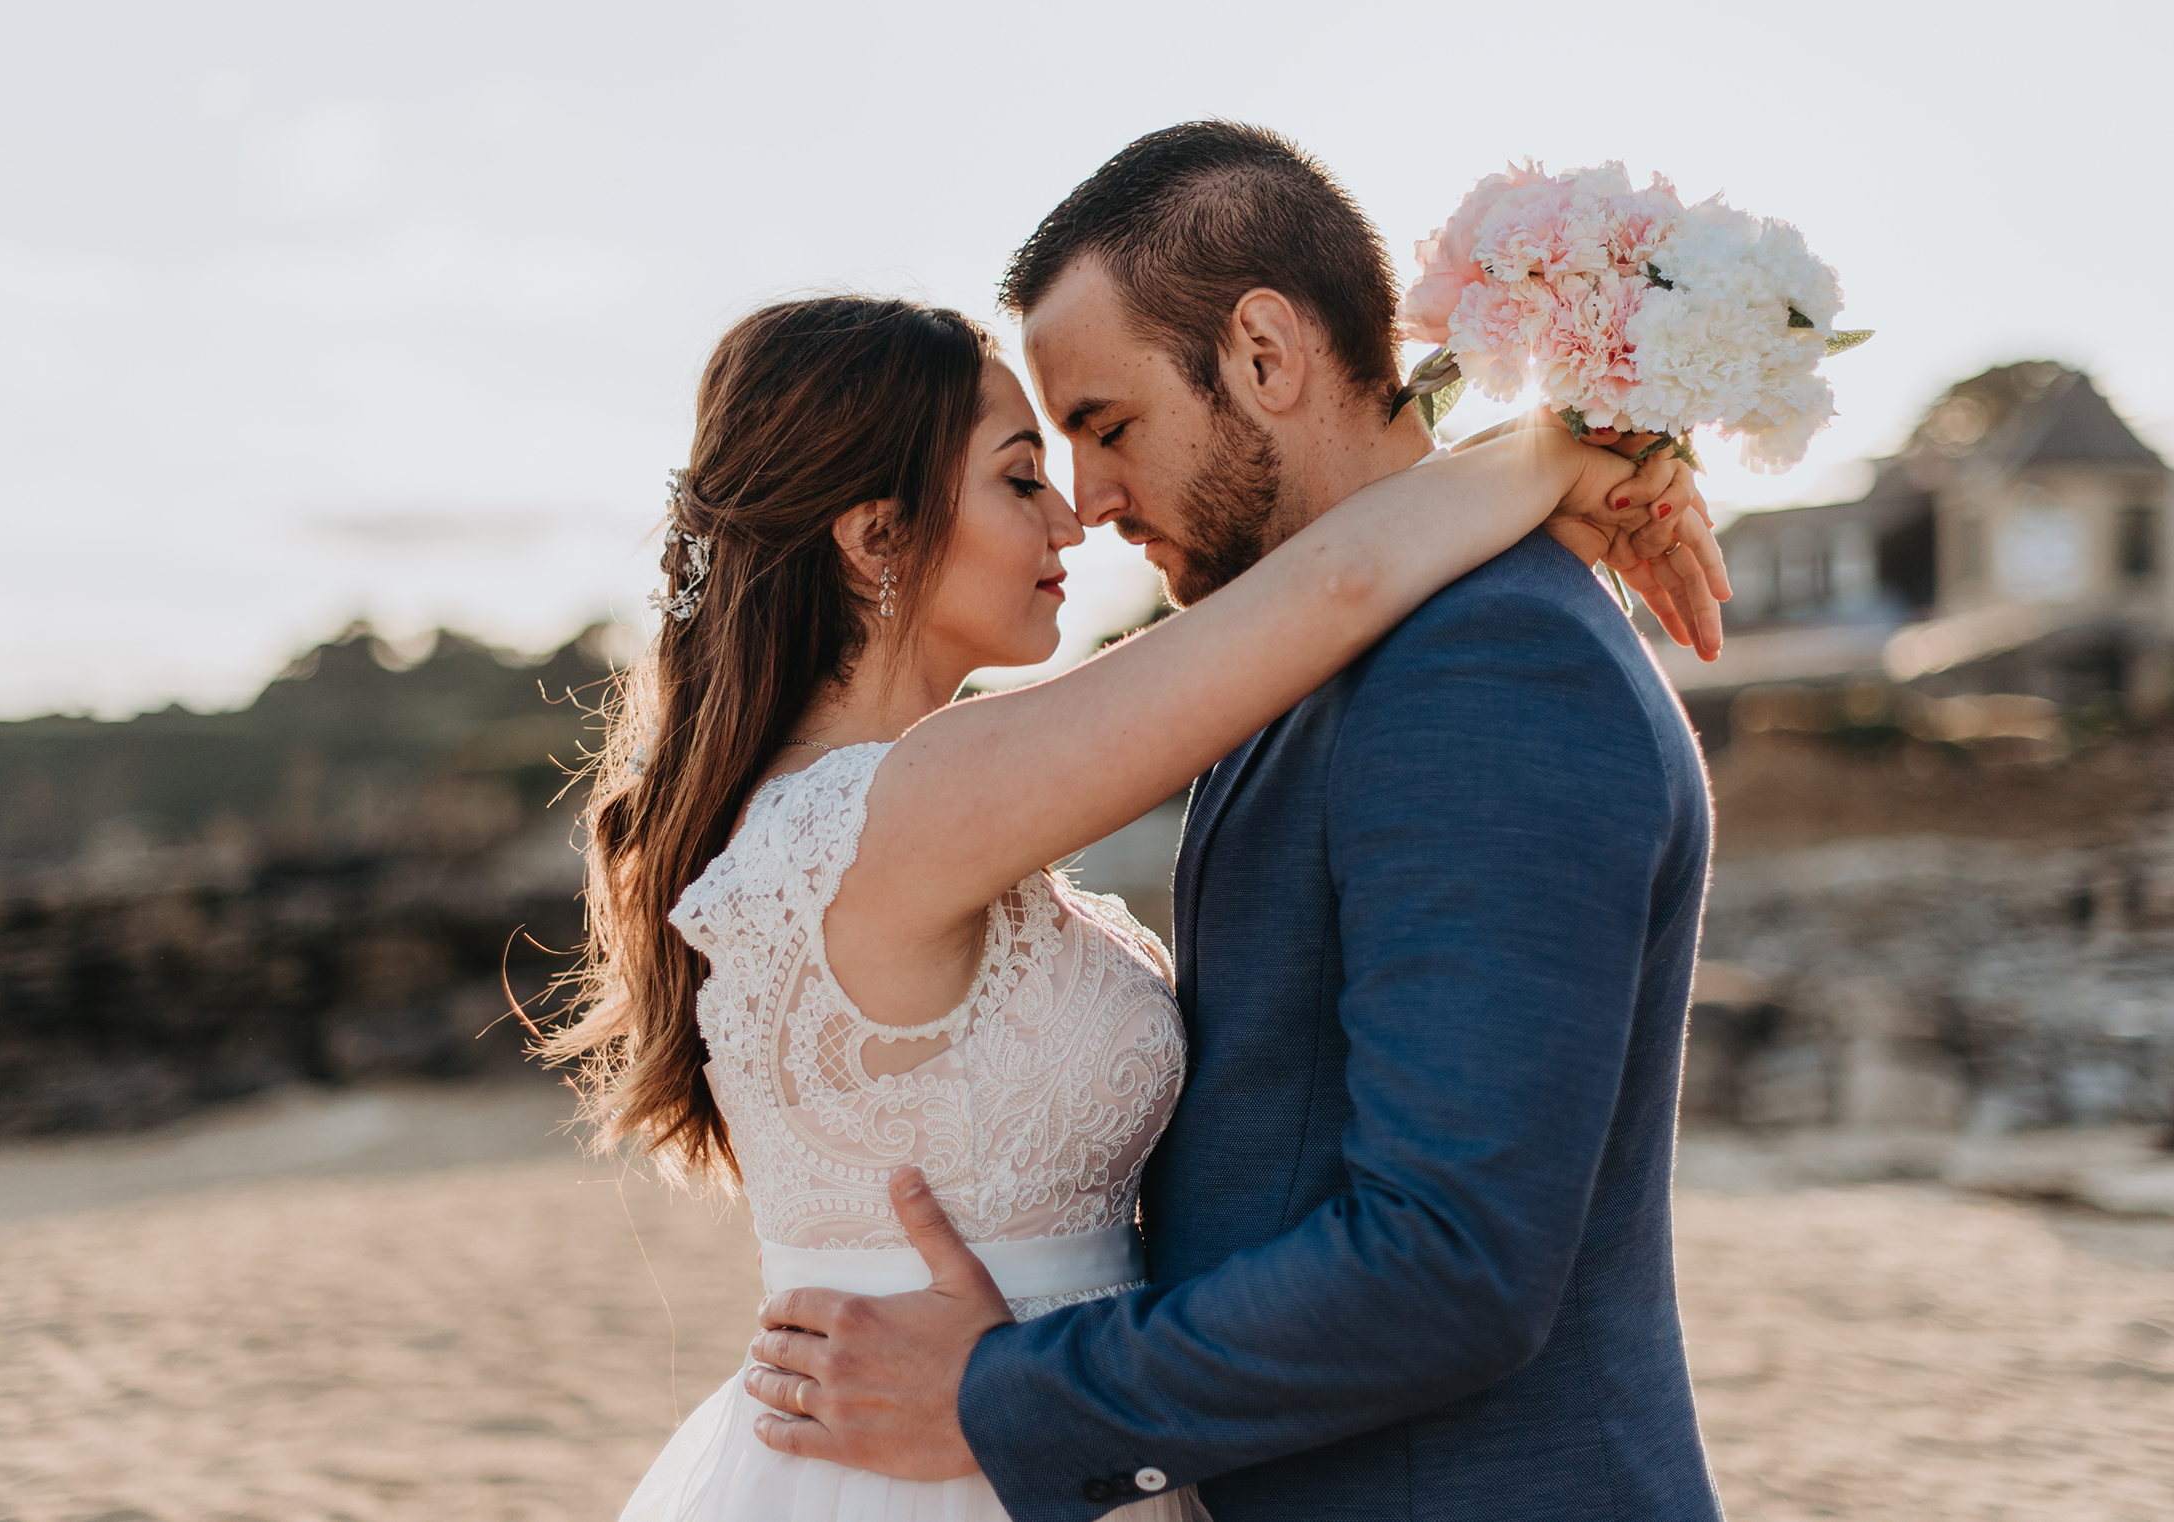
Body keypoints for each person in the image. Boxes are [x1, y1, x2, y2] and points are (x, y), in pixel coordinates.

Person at [547, 273, 1721, 1519]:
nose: (1072, 520)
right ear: (875, 535)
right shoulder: (898, 809)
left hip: (1039, 1443)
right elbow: (1331, 592)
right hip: (936, 1469)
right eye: (1019, 477)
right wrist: (1559, 450)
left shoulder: (918, 805)